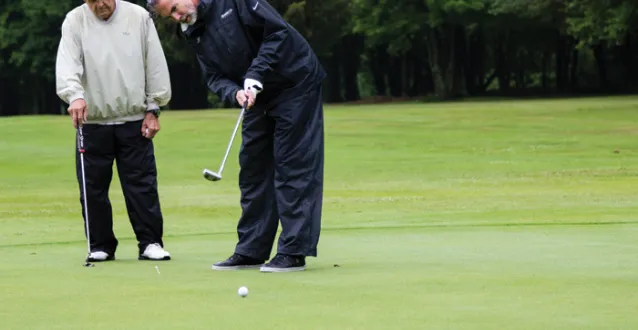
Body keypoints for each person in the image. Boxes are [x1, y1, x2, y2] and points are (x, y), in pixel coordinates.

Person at [147, 0, 326, 272]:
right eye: (170, 16)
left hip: (294, 82)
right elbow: (214, 76)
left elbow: (277, 31)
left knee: (293, 165)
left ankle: (293, 250)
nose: (177, 16)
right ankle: (252, 249)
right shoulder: (192, 30)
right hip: (254, 96)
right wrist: (235, 93)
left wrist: (255, 73)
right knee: (253, 168)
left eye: (174, 8)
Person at [55, 0, 173, 262]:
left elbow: (153, 63)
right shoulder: (75, 21)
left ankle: (150, 242)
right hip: (93, 121)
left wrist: (154, 108)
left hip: (133, 118)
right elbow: (68, 65)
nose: (101, 5)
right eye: (93, 1)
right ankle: (100, 244)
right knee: (92, 187)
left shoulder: (138, 16)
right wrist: (74, 95)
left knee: (142, 185)